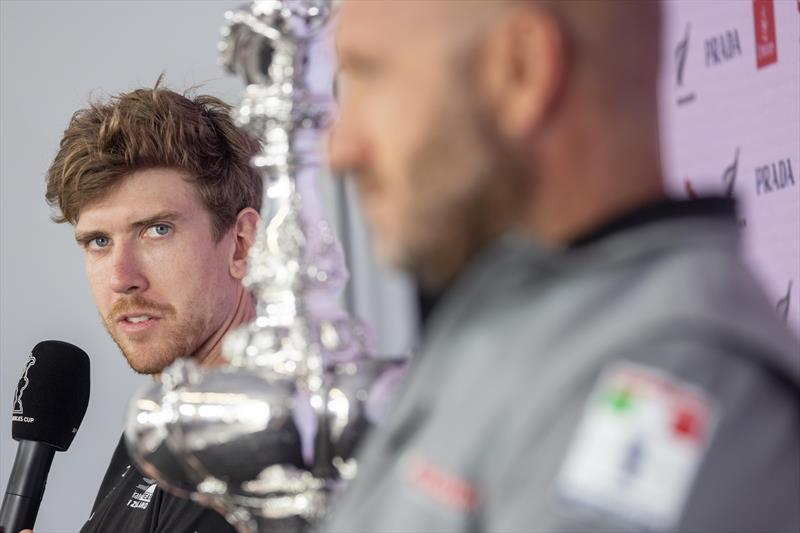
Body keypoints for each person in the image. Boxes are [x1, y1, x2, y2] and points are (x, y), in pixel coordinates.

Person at [322, 1, 800, 532]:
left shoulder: (682, 377)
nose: (340, 149)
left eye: (369, 74)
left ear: (522, 70)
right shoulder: (497, 321)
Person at [40, 80, 262, 533]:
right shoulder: (163, 420)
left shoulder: (263, 444)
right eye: (99, 241)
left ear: (240, 244)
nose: (122, 278)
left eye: (156, 230)